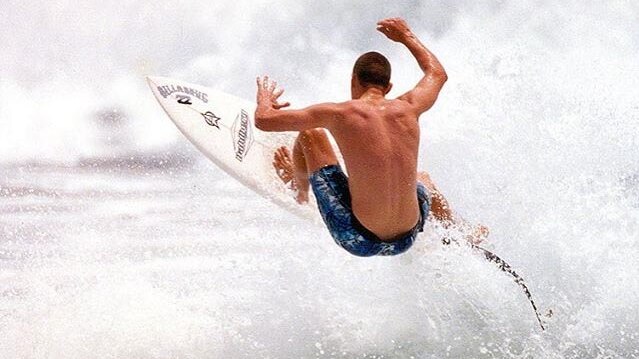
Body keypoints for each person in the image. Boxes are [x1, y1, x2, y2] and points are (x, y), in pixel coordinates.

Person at [255, 17, 487, 257]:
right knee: (424, 180)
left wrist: (265, 101)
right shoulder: (409, 108)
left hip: (357, 237)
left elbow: (264, 120)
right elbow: (437, 74)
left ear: (353, 80)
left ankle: (299, 188)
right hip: (407, 237)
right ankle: (459, 231)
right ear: (388, 87)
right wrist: (406, 36)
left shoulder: (339, 113)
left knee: (310, 134)